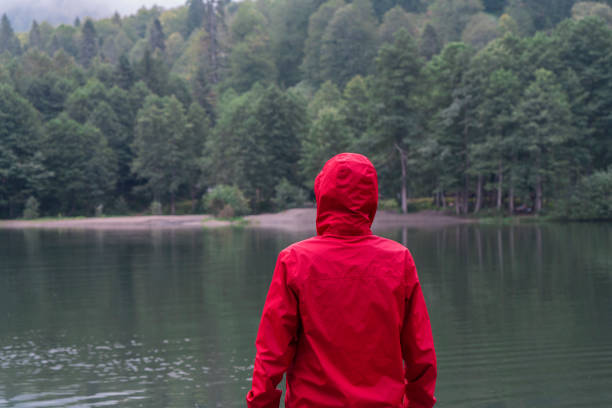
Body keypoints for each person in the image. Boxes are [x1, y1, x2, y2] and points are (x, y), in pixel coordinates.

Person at [246, 153, 437, 407]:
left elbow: (271, 355)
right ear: (372, 198)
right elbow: (421, 355)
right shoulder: (399, 260)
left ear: (323, 195)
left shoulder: (294, 261)